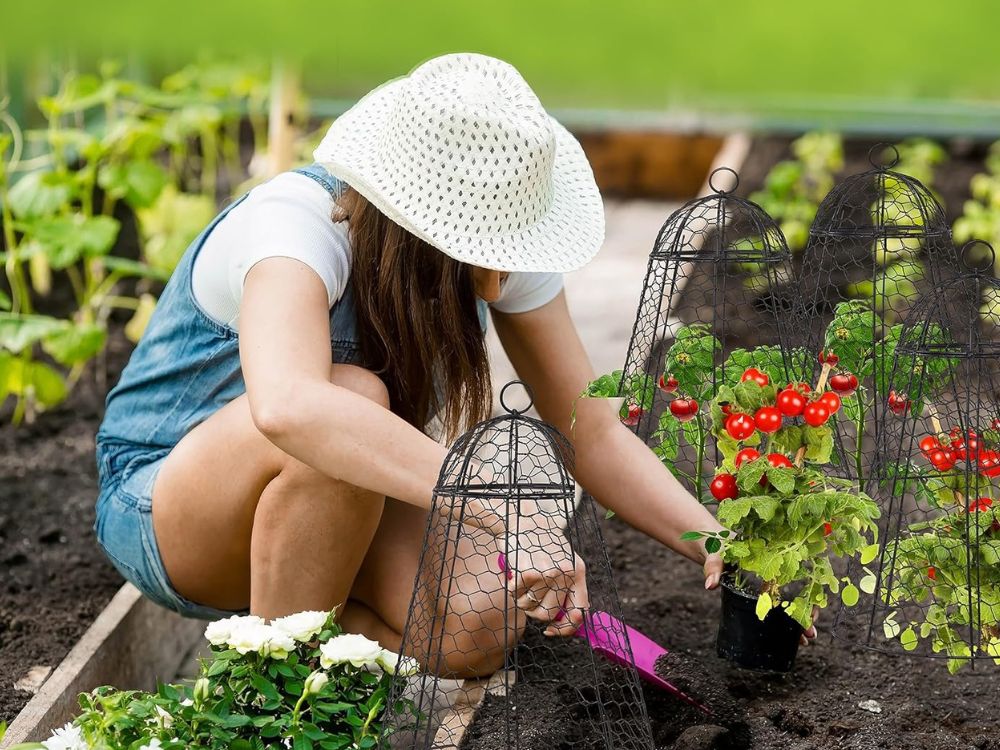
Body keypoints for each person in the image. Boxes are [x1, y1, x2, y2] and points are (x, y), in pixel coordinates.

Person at [94, 53, 733, 678]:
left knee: (482, 615)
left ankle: (324, 631)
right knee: (348, 399)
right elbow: (290, 407)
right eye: (473, 256)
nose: (492, 288)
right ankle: (272, 698)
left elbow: (593, 430)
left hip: (332, 503)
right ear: (414, 227)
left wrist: (718, 547)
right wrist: (503, 506)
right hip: (170, 509)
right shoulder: (295, 229)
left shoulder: (505, 240)